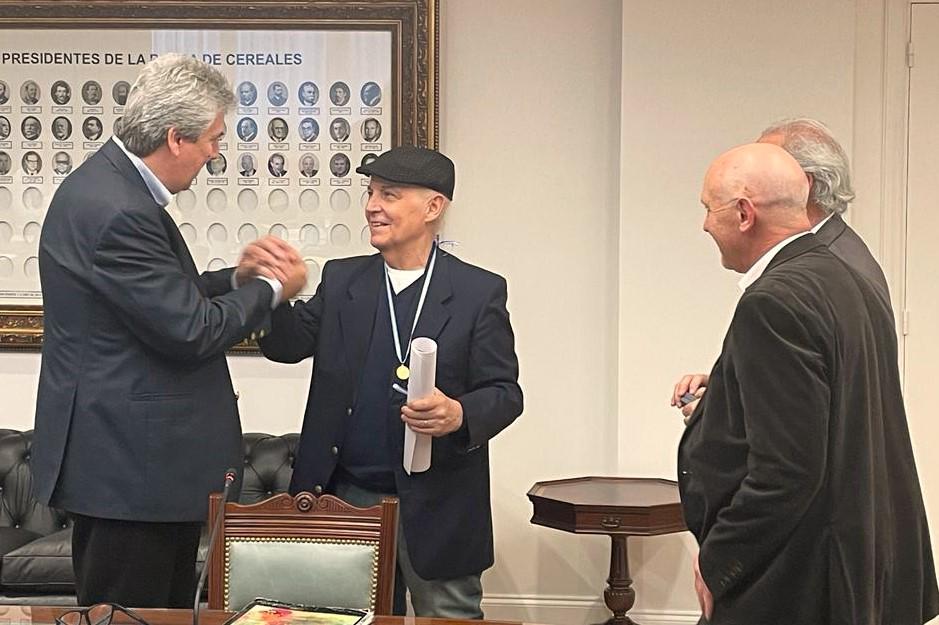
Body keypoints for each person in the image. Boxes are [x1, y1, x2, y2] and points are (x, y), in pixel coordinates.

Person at [32, 52, 307, 609]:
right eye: (212, 139)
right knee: (138, 614)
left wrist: (238, 276)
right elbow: (191, 330)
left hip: (137, 471)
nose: (215, 153)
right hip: (133, 472)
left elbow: (153, 299)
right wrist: (276, 288)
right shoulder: (119, 210)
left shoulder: (107, 187)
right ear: (176, 137)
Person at [675, 142, 939, 625]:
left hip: (794, 583)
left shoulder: (771, 302)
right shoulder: (847, 274)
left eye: (707, 209)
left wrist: (719, 563)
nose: (704, 225)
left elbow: (787, 472)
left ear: (744, 213)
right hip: (850, 566)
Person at [258, 146, 523, 619]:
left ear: (433, 207)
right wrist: (276, 294)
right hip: (345, 499)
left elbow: (505, 393)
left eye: (390, 194)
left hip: (440, 504)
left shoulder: (478, 292)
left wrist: (460, 413)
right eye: (371, 193)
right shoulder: (342, 281)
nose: (372, 206)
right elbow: (285, 346)